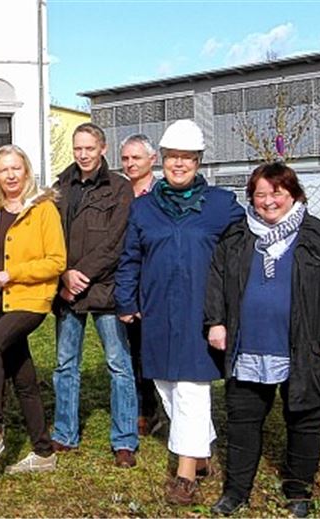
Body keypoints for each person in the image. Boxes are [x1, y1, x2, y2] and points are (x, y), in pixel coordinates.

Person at [205, 163, 320, 518]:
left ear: (293, 195)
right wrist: (216, 322)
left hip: (304, 347)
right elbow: (216, 281)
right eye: (260, 194)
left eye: (277, 193)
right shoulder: (236, 237)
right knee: (242, 420)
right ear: (251, 198)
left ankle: (297, 489)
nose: (269, 201)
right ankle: (237, 491)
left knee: (305, 419)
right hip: (248, 345)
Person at [115, 119, 244, 505]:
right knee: (165, 383)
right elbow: (129, 258)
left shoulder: (221, 206)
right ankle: (201, 453)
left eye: (187, 158)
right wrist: (126, 300)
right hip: (156, 308)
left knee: (191, 387)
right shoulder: (144, 208)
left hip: (201, 310)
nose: (179, 164)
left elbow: (244, 250)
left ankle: (185, 473)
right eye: (173, 157)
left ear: (199, 161)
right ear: (163, 161)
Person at [0, 145, 66, 473]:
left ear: (26, 171)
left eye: (16, 168)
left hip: (30, 300)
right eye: (3, 169)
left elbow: (56, 260)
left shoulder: (43, 209)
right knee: (23, 376)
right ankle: (43, 451)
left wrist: (13, 273)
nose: (10, 175)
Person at [50, 122, 139, 468]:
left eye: (89, 148)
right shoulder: (61, 186)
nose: (83, 155)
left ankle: (124, 440)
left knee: (119, 365)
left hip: (104, 289)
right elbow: (50, 234)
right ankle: (65, 432)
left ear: (102, 149)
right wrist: (64, 274)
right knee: (65, 364)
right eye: (78, 149)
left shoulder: (119, 188)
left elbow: (116, 241)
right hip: (68, 291)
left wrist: (81, 274)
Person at [118, 133, 161, 436]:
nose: (130, 164)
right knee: (131, 350)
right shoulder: (119, 193)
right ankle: (140, 409)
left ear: (152, 160)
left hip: (154, 281)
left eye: (136, 158)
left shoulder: (160, 194)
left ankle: (155, 407)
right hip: (125, 278)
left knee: (151, 348)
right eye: (126, 159)